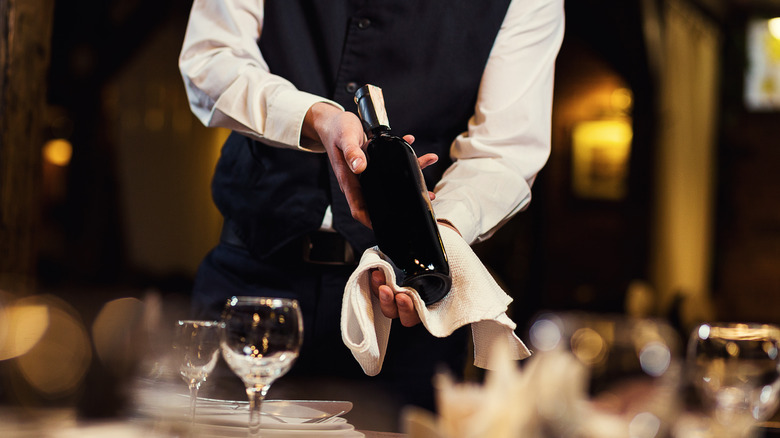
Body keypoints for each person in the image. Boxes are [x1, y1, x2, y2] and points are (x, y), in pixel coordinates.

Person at [178, 0, 564, 421]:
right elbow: (211, 58)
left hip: (408, 317)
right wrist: (316, 118)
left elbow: (504, 150)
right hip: (251, 278)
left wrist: (436, 234)